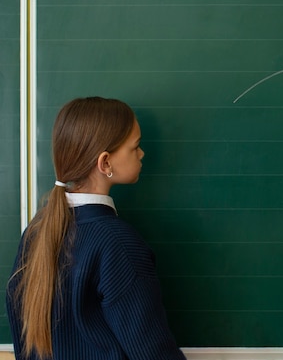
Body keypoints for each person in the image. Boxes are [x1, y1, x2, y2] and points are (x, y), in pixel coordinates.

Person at [6, 97, 186, 360]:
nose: (142, 153)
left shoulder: (36, 232)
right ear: (105, 163)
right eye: (135, 147)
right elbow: (153, 352)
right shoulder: (117, 242)